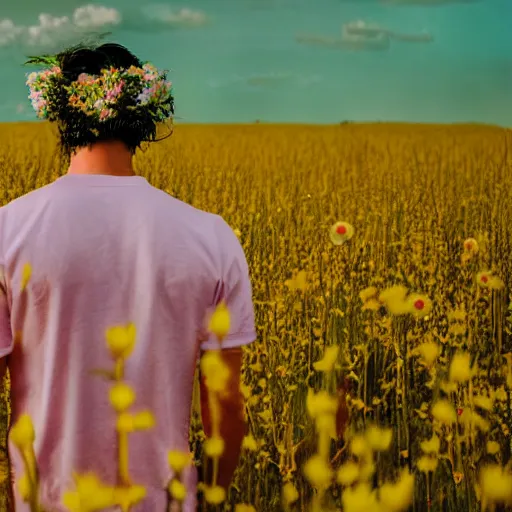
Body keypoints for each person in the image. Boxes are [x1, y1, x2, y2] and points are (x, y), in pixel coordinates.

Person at [0, 43, 256, 511]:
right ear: (144, 119)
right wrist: (210, 497)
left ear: (60, 116)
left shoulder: (7, 231)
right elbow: (226, 410)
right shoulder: (211, 236)